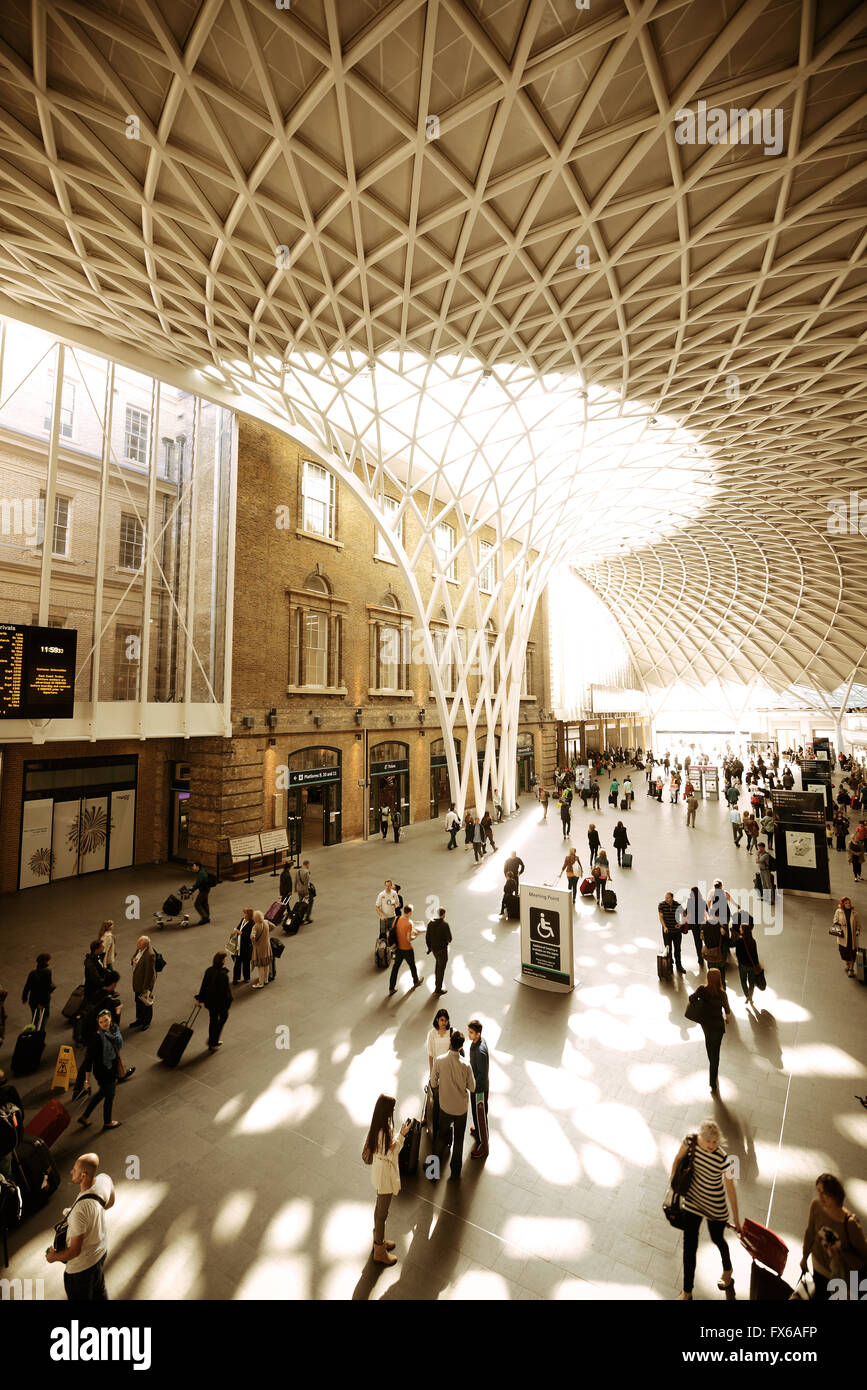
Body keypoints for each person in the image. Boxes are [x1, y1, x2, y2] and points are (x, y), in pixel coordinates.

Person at [671, 1120, 740, 1300]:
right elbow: (678, 1159)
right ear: (701, 1137)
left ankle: (728, 1269)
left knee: (718, 1239)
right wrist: (673, 1184)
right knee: (689, 1247)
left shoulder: (724, 1159)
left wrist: (737, 1218)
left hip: (715, 1207)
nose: (712, 1146)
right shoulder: (690, 1142)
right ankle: (687, 1291)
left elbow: (731, 1189)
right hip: (692, 1203)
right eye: (708, 1141)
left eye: (715, 1142)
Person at [44, 1153, 115, 1300]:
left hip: (81, 1268)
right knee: (99, 1291)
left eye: (74, 1169)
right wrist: (91, 1215)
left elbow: (75, 1251)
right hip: (100, 1253)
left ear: (83, 1175)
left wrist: (53, 1257)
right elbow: (110, 1202)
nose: (71, 1171)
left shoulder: (80, 1211)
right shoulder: (104, 1180)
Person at [799, 1173, 867, 1301]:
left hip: (839, 1276)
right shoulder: (816, 1206)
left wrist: (840, 1255)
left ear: (835, 1195)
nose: (820, 1197)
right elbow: (810, 1233)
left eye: (825, 1193)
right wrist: (804, 1257)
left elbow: (863, 1256)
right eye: (818, 1191)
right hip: (818, 1265)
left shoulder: (850, 1224)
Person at [365, 1095, 411, 1266]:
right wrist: (402, 1136)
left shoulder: (377, 1126)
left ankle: (379, 1239)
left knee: (379, 1208)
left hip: (379, 1173)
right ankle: (379, 1251)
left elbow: (386, 1149)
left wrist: (397, 1136)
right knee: (382, 1214)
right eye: (391, 1109)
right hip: (385, 1176)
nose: (393, 1112)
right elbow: (391, 1152)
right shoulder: (383, 1131)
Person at [431, 1031, 475, 1180]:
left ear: (450, 1041)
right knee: (459, 1140)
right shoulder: (466, 1065)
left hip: (445, 1107)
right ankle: (455, 1172)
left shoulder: (440, 1060)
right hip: (461, 1109)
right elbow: (473, 1087)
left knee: (441, 1137)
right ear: (462, 1046)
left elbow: (432, 1082)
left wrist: (440, 1091)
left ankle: (433, 1172)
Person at [76, 1011, 124, 1131]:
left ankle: (85, 1116)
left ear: (110, 1019)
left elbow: (117, 1042)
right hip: (103, 1072)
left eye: (106, 1020)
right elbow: (88, 1061)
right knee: (110, 1095)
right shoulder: (96, 1039)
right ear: (98, 1024)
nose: (104, 1024)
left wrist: (118, 1012)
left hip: (111, 1068)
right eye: (101, 1022)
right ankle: (107, 1122)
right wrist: (86, 1081)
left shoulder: (113, 1030)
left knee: (102, 1093)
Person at [687, 969, 731, 1094]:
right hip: (718, 1026)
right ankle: (713, 1078)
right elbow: (727, 1011)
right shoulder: (722, 994)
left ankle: (712, 1067)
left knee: (709, 1045)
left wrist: (699, 1001)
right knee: (716, 1051)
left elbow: (691, 998)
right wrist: (727, 1019)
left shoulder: (702, 989)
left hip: (706, 1024)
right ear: (719, 979)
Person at [195, 950, 233, 1050]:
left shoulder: (209, 970)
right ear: (222, 961)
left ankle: (213, 1040)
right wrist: (229, 1002)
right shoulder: (223, 975)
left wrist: (199, 999)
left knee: (213, 1020)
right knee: (223, 1017)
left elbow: (203, 986)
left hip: (210, 1002)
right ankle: (213, 1040)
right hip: (220, 1004)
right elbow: (226, 992)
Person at [388, 904, 422, 993]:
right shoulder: (409, 923)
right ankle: (416, 981)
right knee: (412, 965)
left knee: (395, 968)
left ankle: (391, 988)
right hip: (407, 949)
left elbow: (393, 930)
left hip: (399, 948)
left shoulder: (397, 919)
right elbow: (408, 938)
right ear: (410, 912)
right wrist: (416, 935)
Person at [467, 1020, 489, 1160]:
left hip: (479, 1089)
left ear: (478, 1034)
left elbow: (482, 1074)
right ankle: (479, 1131)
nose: (468, 1034)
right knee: (476, 1113)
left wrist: (475, 1089)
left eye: (471, 1032)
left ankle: (483, 1147)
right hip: (475, 1086)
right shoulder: (477, 1042)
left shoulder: (479, 1052)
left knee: (480, 1114)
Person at [730, 916, 762, 1005]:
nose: (739, 929)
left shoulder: (739, 940)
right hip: (751, 966)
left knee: (743, 980)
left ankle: (747, 996)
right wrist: (757, 964)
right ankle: (751, 997)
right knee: (751, 982)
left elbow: (734, 948)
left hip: (743, 965)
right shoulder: (753, 941)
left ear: (743, 930)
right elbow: (755, 955)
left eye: (740, 928)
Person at [129, 936, 156, 1031]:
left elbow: (149, 973)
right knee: (138, 1001)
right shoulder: (139, 949)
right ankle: (139, 1019)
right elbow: (134, 957)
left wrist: (146, 988)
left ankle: (146, 1021)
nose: (137, 945)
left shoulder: (150, 955)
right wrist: (133, 961)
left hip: (145, 984)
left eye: (139, 944)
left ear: (145, 945)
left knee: (146, 1002)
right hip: (138, 982)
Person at [832, 896, 862, 978]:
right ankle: (847, 963)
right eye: (846, 903)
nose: (848, 904)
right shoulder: (838, 911)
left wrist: (858, 931)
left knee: (852, 953)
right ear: (842, 904)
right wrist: (840, 924)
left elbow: (859, 925)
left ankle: (851, 969)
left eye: (849, 903)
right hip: (843, 937)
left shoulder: (855, 914)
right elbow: (835, 920)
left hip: (852, 938)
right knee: (844, 953)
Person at [21, 952, 55, 1023]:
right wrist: (41, 1002)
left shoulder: (32, 973)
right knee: (45, 1016)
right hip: (43, 1000)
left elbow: (27, 987)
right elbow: (46, 989)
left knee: (34, 1018)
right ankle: (41, 1031)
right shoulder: (47, 972)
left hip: (33, 1000)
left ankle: (33, 1031)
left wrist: (24, 997)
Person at [425, 907, 452, 995]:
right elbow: (449, 938)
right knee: (441, 969)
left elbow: (427, 937)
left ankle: (437, 984)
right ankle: (438, 989)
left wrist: (429, 948)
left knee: (438, 966)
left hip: (434, 950)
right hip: (442, 950)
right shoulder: (445, 924)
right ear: (443, 914)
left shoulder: (430, 923)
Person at [659, 892, 685, 973]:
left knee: (677, 949)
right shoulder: (661, 905)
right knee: (668, 949)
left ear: (672, 898)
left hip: (676, 932)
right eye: (665, 897)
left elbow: (684, 915)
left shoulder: (677, 905)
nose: (666, 899)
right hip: (667, 931)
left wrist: (680, 924)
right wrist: (664, 927)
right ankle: (669, 966)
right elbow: (661, 917)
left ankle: (679, 965)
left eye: (668, 898)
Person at [680, 887, 706, 968]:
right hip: (701, 924)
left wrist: (683, 912)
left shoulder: (690, 901)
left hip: (694, 925)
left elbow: (687, 912)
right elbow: (708, 911)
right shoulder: (702, 901)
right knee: (703, 940)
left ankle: (700, 958)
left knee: (697, 941)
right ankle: (704, 955)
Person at [230, 907, 255, 985]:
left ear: (248, 915)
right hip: (239, 946)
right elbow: (238, 928)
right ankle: (235, 978)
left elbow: (248, 937)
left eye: (245, 913)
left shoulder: (252, 924)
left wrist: (239, 932)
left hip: (246, 947)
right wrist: (237, 931)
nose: (243, 914)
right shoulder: (242, 920)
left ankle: (247, 978)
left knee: (246, 963)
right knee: (237, 963)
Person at [250, 910, 272, 988]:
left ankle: (261, 983)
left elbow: (252, 936)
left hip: (260, 948)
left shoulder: (255, 926)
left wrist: (255, 942)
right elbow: (273, 926)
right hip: (267, 946)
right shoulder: (266, 922)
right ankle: (266, 980)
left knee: (261, 966)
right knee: (266, 963)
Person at [83, 940, 107, 1005]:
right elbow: (95, 978)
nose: (103, 947)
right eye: (102, 946)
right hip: (93, 990)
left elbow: (100, 968)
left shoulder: (96, 958)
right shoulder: (90, 963)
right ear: (97, 949)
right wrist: (105, 984)